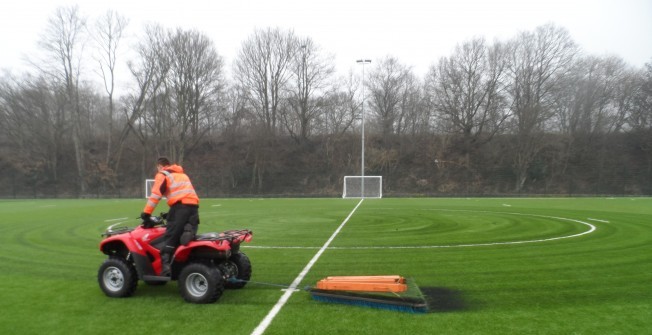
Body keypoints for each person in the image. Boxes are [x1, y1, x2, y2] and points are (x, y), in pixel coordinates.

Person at [141, 157, 199, 277]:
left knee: (170, 236)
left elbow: (156, 195)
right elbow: (183, 194)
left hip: (180, 208)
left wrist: (146, 213)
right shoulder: (182, 175)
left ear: (160, 166)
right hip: (193, 208)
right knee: (184, 235)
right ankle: (188, 232)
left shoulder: (163, 174)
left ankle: (165, 268)